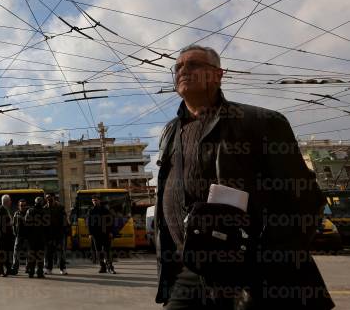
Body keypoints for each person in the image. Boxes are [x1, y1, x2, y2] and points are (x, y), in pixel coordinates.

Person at [155, 44, 333, 309]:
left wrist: (267, 264)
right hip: (190, 271)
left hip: (250, 273)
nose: (183, 70)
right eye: (178, 66)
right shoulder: (170, 130)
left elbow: (305, 201)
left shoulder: (260, 121)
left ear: (218, 74)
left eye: (193, 64)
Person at [87, 196, 115, 274]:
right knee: (98, 251)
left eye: (96, 200)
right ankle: (102, 267)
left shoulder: (105, 210)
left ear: (99, 201)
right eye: (93, 200)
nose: (94, 202)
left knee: (107, 251)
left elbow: (111, 221)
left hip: (105, 233)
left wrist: (110, 232)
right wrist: (90, 233)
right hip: (96, 234)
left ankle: (110, 267)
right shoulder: (91, 211)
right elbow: (88, 223)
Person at [44, 194, 69, 275]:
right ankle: (49, 268)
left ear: (54, 198)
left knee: (61, 252)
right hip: (48, 234)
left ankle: (63, 268)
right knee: (49, 252)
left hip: (59, 233)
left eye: (50, 198)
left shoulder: (60, 207)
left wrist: (64, 232)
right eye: (47, 198)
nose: (48, 200)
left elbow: (65, 220)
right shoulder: (45, 208)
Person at [25, 196, 48, 278]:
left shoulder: (30, 211)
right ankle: (39, 273)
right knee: (40, 256)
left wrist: (27, 237)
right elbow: (47, 226)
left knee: (32, 255)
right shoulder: (44, 212)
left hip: (32, 238)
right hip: (41, 238)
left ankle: (31, 272)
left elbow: (26, 224)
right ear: (41, 203)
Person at [0, 195, 15, 277]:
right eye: (10, 200)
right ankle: (0, 270)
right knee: (2, 254)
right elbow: (0, 223)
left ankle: (8, 269)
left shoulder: (7, 209)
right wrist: (10, 224)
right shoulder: (0, 210)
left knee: (8, 253)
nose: (11, 202)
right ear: (6, 201)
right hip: (3, 236)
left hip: (9, 235)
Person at [11, 199, 29, 274]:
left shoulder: (29, 213)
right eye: (21, 205)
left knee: (28, 254)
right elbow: (13, 225)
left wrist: (22, 218)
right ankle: (15, 269)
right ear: (19, 206)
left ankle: (28, 268)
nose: (23, 207)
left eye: (24, 205)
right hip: (19, 236)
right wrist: (15, 233)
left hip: (27, 236)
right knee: (16, 253)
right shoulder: (16, 213)